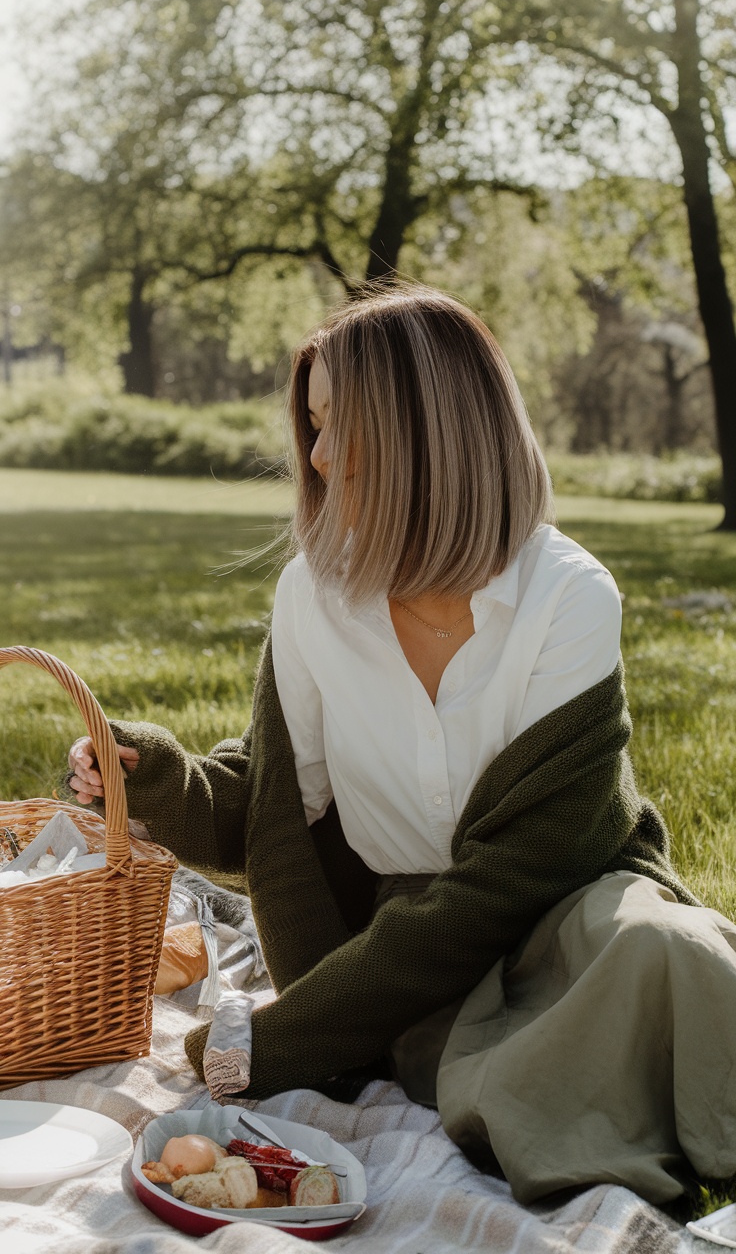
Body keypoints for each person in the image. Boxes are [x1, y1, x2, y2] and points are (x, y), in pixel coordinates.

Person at [67, 285, 736, 1207]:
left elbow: (522, 873)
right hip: (416, 953)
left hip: (572, 914)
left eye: (342, 423)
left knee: (673, 949)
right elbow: (276, 803)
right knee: (495, 1069)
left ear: (433, 433)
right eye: (312, 425)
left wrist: (286, 1036)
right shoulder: (314, 598)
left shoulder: (568, 597)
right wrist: (153, 778)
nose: (318, 454)